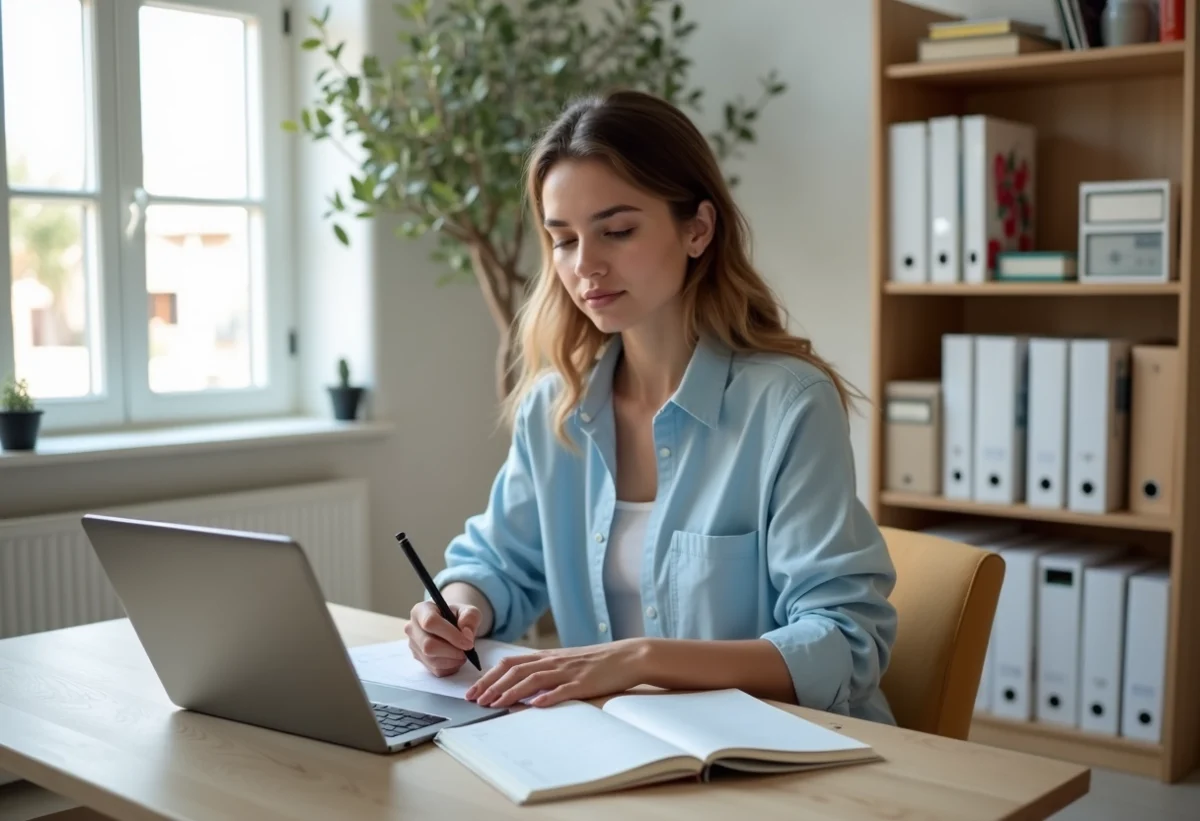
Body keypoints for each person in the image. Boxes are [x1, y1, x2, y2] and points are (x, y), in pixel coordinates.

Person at [405, 88, 898, 724]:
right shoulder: (556, 406)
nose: (586, 266)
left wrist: (641, 658)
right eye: (563, 240)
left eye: (617, 231)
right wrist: (450, 608)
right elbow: (501, 563)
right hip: (618, 748)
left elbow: (846, 640)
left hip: (775, 753)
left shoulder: (788, 406)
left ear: (697, 229)